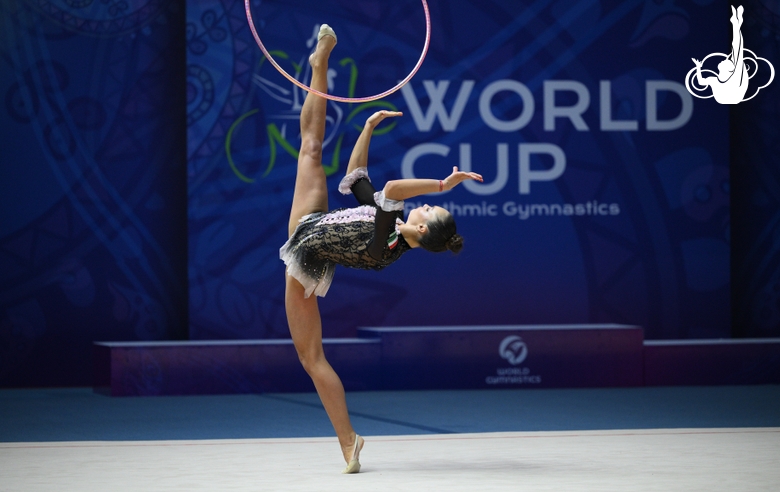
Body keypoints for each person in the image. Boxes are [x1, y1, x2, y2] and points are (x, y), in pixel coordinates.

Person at [280, 24, 482, 474]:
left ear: (422, 229)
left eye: (429, 209)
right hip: (312, 225)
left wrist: (443, 183)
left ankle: (349, 443)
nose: (426, 204)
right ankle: (320, 62)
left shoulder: (389, 240)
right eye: (430, 202)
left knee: (311, 359)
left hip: (307, 257)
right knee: (310, 148)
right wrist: (368, 127)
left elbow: (391, 187)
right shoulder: (389, 224)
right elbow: (358, 178)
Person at [692, 5, 748, 104]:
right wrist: (698, 67)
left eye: (728, 61)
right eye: (728, 60)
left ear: (729, 69)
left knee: (737, 51)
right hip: (727, 97)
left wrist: (736, 26)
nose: (725, 59)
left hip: (733, 96)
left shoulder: (734, 77)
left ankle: (736, 24)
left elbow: (737, 48)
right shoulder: (714, 80)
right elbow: (701, 82)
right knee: (737, 52)